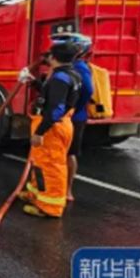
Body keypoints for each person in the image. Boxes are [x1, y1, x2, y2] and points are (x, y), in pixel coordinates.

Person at [18, 42, 80, 218]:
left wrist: (40, 132)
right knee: (39, 162)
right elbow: (50, 95)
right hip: (55, 124)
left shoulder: (60, 78)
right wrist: (32, 81)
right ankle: (35, 195)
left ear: (54, 58)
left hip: (52, 126)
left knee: (51, 166)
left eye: (49, 55)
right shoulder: (69, 74)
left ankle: (50, 207)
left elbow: (56, 109)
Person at [51, 33, 93, 202]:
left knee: (68, 154)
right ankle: (55, 188)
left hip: (73, 118)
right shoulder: (66, 68)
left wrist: (73, 106)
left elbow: (88, 91)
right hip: (66, 117)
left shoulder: (79, 68)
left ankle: (67, 190)